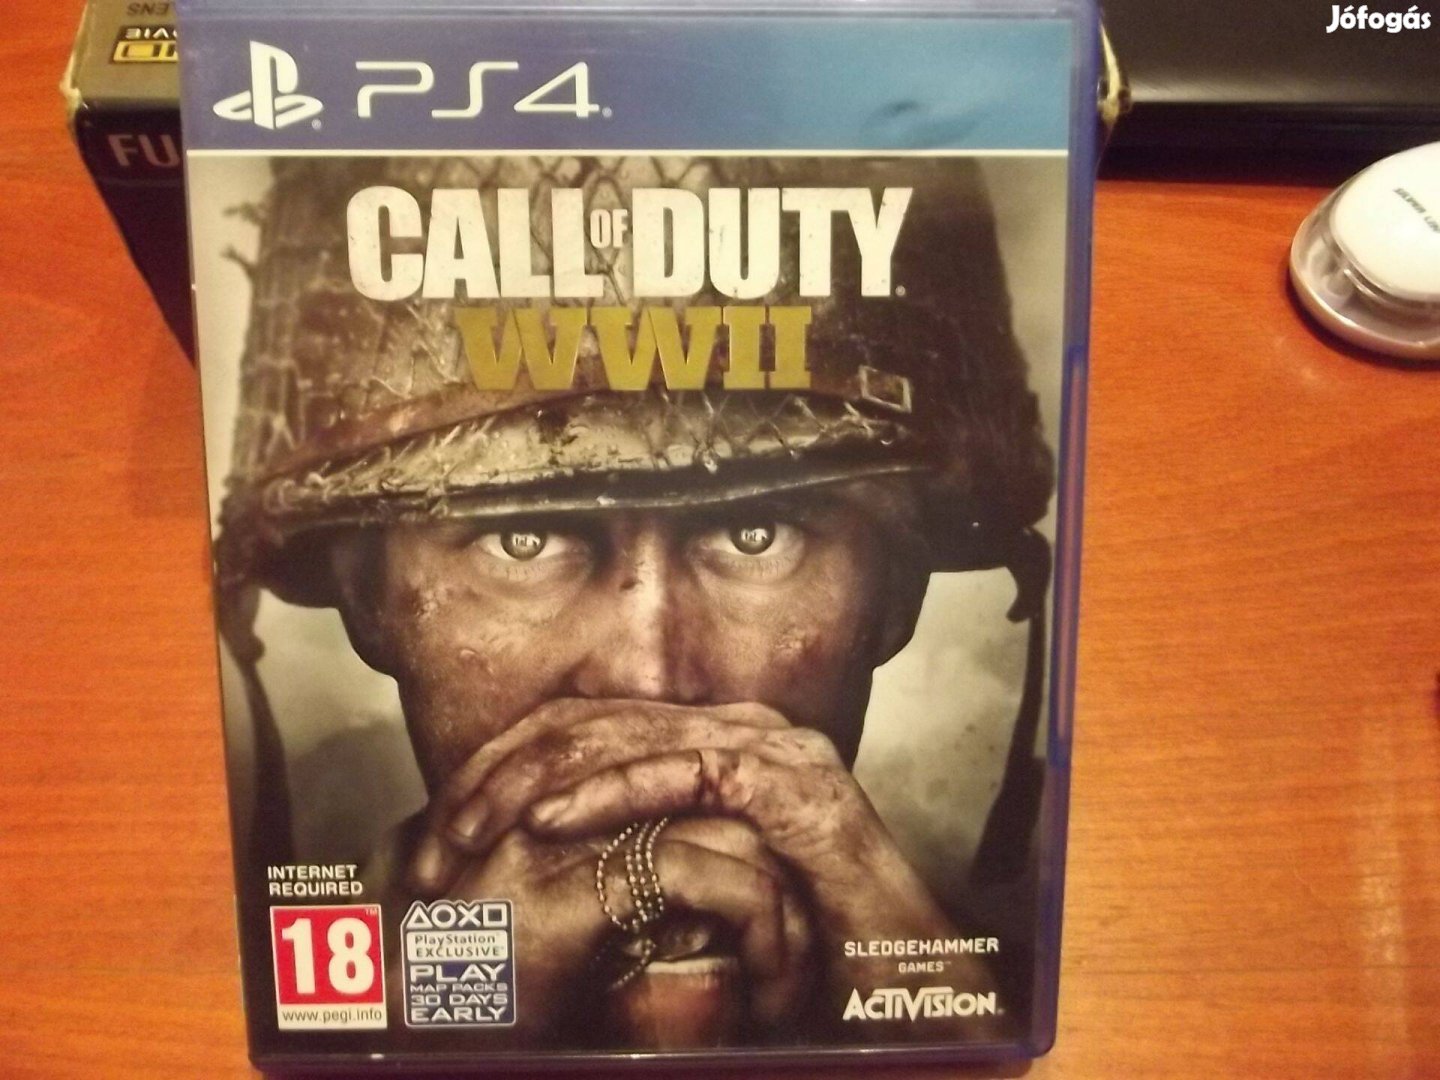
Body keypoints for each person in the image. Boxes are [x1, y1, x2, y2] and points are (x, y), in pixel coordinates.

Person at [212, 155, 1055, 1048]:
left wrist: (944, 1032)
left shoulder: (1007, 998)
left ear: (899, 590)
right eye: (524, 540)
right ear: (361, 594)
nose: (649, 676)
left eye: (756, 534)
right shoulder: (247, 1003)